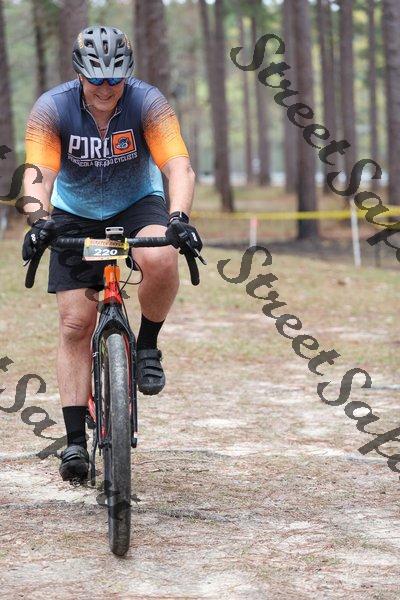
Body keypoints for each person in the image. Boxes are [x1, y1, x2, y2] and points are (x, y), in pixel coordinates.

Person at [22, 26, 202, 482]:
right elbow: (39, 173)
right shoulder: (52, 108)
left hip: (136, 203)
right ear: (78, 73)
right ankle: (75, 443)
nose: (105, 88)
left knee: (161, 256)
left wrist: (179, 217)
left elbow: (177, 165)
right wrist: (39, 220)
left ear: (127, 74)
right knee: (75, 324)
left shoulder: (148, 102)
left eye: (115, 79)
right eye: (96, 79)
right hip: (74, 212)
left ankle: (147, 346)